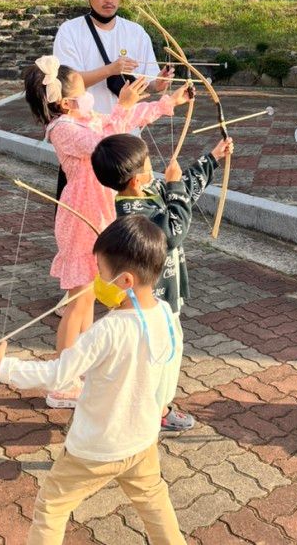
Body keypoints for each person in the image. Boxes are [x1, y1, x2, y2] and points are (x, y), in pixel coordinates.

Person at [0, 216, 187, 545]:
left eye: (101, 272)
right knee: (155, 504)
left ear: (124, 280)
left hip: (94, 449)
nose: (96, 280)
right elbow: (170, 370)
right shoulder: (165, 312)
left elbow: (56, 375)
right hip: (142, 441)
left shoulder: (108, 329)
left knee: (51, 508)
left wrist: (0, 367)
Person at [23, 55, 192, 409]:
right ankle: (61, 381)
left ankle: (76, 370)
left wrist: (166, 103)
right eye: (82, 93)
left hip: (99, 214)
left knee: (86, 301)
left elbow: (124, 123)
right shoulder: (63, 130)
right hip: (79, 218)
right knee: (77, 303)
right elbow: (105, 145)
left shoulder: (85, 118)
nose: (87, 98)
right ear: (64, 102)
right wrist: (121, 106)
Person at [92, 131, 233, 432]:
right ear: (134, 180)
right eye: (146, 164)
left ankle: (147, 406)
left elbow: (183, 192)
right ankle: (157, 410)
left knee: (161, 351)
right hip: (154, 301)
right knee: (164, 353)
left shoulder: (147, 191)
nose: (150, 167)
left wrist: (213, 158)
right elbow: (173, 231)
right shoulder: (133, 214)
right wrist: (173, 184)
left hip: (162, 297)